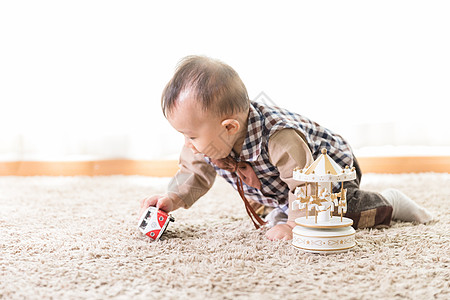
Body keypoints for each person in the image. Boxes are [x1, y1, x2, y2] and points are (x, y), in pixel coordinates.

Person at [139, 55, 433, 241]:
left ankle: (390, 202)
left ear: (229, 127)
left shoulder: (280, 138)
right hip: (280, 187)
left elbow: (306, 185)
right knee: (279, 214)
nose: (188, 144)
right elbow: (193, 171)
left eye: (191, 136)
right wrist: (171, 199)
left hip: (327, 174)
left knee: (329, 216)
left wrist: (295, 225)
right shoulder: (207, 140)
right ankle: (284, 209)